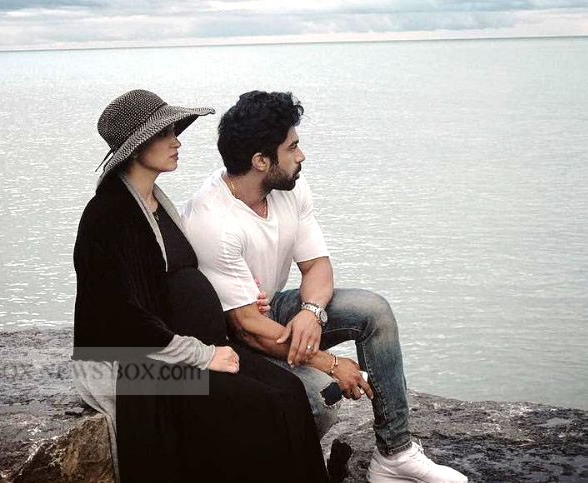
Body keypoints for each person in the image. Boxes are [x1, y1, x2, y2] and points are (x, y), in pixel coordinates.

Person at [182, 90, 468, 483]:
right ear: (261, 161)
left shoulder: (289, 187)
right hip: (229, 336)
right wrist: (331, 364)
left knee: (373, 311)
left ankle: (395, 454)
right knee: (322, 397)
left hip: (268, 311)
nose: (301, 156)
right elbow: (245, 327)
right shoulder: (213, 221)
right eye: (292, 147)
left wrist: (311, 313)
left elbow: (317, 266)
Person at [72, 89, 329, 483]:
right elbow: (122, 317)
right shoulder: (109, 215)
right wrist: (201, 355)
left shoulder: (156, 202)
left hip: (187, 345)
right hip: (135, 364)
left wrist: (241, 297)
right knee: (259, 405)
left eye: (175, 131)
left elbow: (179, 278)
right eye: (164, 134)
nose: (176, 141)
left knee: (290, 392)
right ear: (136, 147)